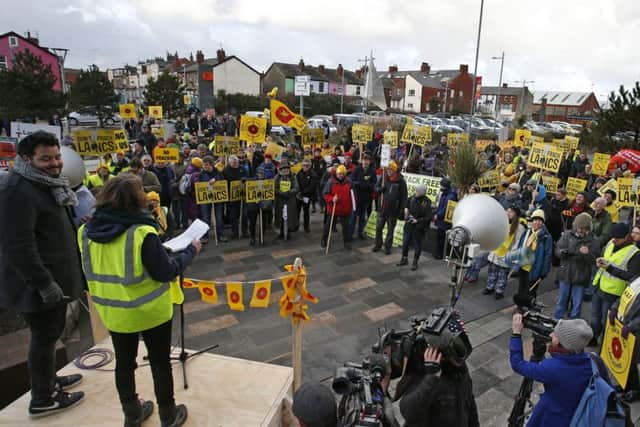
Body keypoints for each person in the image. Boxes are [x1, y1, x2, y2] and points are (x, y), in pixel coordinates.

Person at [79, 174, 201, 426]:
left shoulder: (85, 231)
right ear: (138, 199)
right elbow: (165, 272)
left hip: (113, 312)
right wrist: (190, 251)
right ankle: (168, 414)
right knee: (159, 362)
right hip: (149, 311)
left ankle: (132, 413)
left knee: (124, 363)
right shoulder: (142, 232)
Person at [0, 131, 86, 417]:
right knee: (44, 337)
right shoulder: (17, 190)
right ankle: (43, 398)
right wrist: (44, 283)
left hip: (55, 279)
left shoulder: (42, 182)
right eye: (45, 158)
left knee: (49, 337)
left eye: (57, 156)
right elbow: (19, 246)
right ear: (27, 159)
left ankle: (49, 381)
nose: (55, 163)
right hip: (38, 285)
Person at [510, 314, 594, 427]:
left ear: (563, 343)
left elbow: (517, 364)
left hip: (551, 418)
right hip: (575, 415)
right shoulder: (592, 360)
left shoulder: (552, 368)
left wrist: (516, 334)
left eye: (555, 335)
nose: (550, 334)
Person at [396, 315, 479, 426]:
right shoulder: (424, 376)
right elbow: (408, 412)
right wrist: (431, 377)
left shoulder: (459, 368)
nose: (461, 358)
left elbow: (469, 402)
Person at [590, 223, 640, 345]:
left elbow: (630, 276)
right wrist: (600, 261)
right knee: (594, 317)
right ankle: (594, 338)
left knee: (605, 321)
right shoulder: (610, 243)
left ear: (626, 237)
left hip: (613, 293)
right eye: (613, 238)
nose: (614, 240)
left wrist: (609, 268)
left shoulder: (635, 253)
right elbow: (605, 256)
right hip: (599, 286)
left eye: (617, 239)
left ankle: (604, 343)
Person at [553, 212, 599, 319]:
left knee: (577, 305)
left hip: (581, 277)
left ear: (588, 228)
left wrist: (587, 254)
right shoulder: (567, 235)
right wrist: (562, 252)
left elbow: (595, 261)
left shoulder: (594, 241)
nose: (580, 230)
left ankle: (574, 326)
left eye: (583, 228)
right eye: (578, 227)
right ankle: (556, 322)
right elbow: (557, 250)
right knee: (561, 301)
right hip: (565, 274)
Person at [482, 206, 526, 299]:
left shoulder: (519, 227)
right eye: (507, 211)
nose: (508, 213)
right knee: (492, 271)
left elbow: (518, 243)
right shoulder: (502, 222)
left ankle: (499, 291)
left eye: (511, 212)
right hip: (495, 251)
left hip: (506, 254)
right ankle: (490, 287)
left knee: (502, 275)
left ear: (516, 214)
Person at [609, 274, 640, 402]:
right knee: (624, 358)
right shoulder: (635, 279)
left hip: (635, 331)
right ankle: (625, 385)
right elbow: (623, 296)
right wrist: (615, 308)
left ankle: (634, 390)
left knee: (632, 361)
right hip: (623, 325)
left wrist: (632, 326)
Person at [514, 209, 552, 297]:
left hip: (535, 269)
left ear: (543, 223)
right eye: (535, 220)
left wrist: (544, 272)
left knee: (530, 292)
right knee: (521, 289)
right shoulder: (527, 232)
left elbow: (548, 255)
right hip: (523, 267)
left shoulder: (546, 237)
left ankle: (527, 308)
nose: (537, 222)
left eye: (539, 220)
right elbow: (520, 246)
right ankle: (520, 307)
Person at [373, 160, 407, 255]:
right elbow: (375, 188)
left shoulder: (401, 181)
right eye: (387, 169)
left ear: (394, 170)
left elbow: (404, 197)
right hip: (382, 208)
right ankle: (377, 244)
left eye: (390, 170)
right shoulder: (383, 178)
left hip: (393, 211)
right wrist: (379, 189)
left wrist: (401, 210)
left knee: (390, 230)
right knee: (379, 228)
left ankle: (387, 247)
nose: (388, 171)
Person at [397, 184, 432, 270]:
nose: (415, 192)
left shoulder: (427, 202)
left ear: (421, 192)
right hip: (409, 224)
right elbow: (406, 205)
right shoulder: (411, 198)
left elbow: (428, 217)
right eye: (415, 190)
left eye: (417, 191)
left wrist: (417, 220)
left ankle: (415, 262)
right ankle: (404, 259)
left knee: (417, 245)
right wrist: (406, 210)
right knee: (405, 243)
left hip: (418, 227)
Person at [322, 165, 354, 250]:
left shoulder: (349, 182)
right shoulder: (330, 182)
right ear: (336, 174)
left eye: (342, 174)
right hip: (333, 208)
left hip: (345, 209)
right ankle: (324, 239)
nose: (340, 175)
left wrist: (353, 207)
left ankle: (346, 242)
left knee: (346, 227)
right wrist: (332, 198)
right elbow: (325, 194)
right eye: (339, 174)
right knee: (328, 225)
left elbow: (353, 195)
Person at [351, 153, 377, 240]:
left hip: (366, 197)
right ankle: (350, 234)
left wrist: (368, 185)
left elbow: (374, 183)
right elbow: (351, 181)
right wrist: (358, 184)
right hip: (356, 196)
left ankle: (360, 232)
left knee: (362, 216)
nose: (365, 162)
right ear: (361, 161)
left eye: (367, 161)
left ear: (369, 162)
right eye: (364, 160)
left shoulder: (372, 171)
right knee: (353, 216)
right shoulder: (357, 169)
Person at [274, 161, 300, 239]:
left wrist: (289, 192)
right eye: (283, 169)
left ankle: (288, 232)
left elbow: (296, 187)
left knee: (290, 216)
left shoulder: (293, 177)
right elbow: (274, 188)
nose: (285, 170)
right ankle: (281, 232)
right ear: (281, 169)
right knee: (280, 216)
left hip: (290, 199)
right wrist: (281, 192)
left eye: (287, 168)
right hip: (280, 200)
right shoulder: (277, 177)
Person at [434, 177, 457, 260]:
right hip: (442, 220)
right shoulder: (446, 194)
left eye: (442, 186)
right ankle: (439, 253)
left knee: (442, 238)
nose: (440, 187)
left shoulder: (450, 196)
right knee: (440, 237)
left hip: (444, 221)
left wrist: (438, 215)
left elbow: (446, 208)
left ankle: (440, 254)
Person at [296, 159, 316, 233]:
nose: (305, 167)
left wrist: (303, 192)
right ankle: (296, 225)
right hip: (299, 195)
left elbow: (312, 186)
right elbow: (296, 182)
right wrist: (298, 191)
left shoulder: (313, 174)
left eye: (307, 165)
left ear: (310, 166)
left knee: (306, 212)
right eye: (304, 165)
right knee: (297, 211)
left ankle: (306, 227)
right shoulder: (299, 173)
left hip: (307, 196)